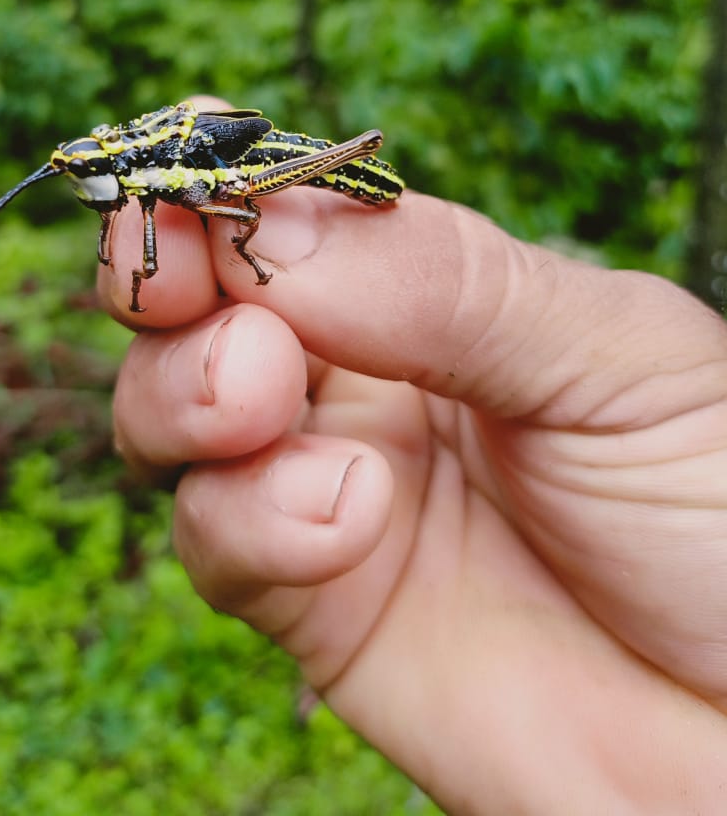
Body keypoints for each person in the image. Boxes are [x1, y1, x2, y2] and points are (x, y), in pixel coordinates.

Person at [98, 99, 727, 814]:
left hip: (312, 175)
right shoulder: (144, 184)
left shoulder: (159, 172)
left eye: (100, 177)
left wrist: (241, 244)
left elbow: (222, 207)